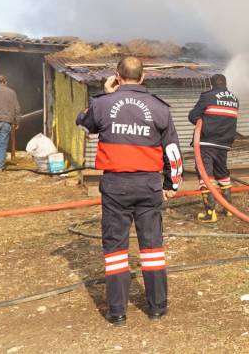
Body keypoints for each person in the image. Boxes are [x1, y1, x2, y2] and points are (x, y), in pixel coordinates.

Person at [76, 56, 183, 326]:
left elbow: (83, 124)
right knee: (152, 248)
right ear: (143, 77)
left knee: (115, 249)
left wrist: (106, 94)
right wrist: (172, 184)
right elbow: (172, 150)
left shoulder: (101, 104)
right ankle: (157, 307)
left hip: (116, 187)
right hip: (148, 186)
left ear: (117, 76)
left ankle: (118, 312)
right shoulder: (159, 107)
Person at [187, 73, 239, 223]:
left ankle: (210, 213)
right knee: (222, 174)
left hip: (206, 143)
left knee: (206, 176)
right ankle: (228, 209)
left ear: (212, 84)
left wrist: (202, 121)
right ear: (226, 84)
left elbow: (192, 116)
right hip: (224, 144)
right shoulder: (235, 99)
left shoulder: (208, 96)